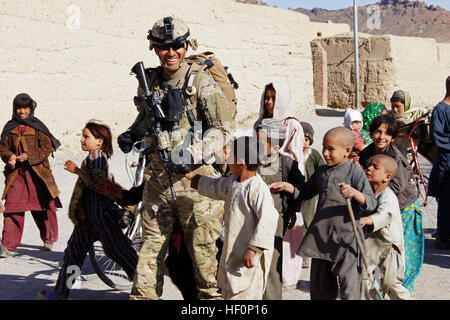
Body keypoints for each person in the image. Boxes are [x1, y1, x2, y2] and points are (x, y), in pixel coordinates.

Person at [117, 16, 232, 300]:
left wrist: (192, 155)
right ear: (155, 48)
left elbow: (221, 130)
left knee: (204, 255)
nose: (171, 53)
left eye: (177, 46)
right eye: (163, 47)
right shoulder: (151, 82)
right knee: (150, 250)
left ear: (186, 45)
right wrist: (132, 134)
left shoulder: (200, 82)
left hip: (197, 183)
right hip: (158, 181)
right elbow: (145, 119)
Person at [269, 127, 377, 300]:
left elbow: (371, 203)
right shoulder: (322, 172)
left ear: (347, 151)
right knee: (320, 289)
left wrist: (355, 194)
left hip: (347, 240)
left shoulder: (354, 173)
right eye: (324, 147)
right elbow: (306, 191)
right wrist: (288, 187)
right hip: (321, 238)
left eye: (331, 149)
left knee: (350, 288)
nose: (325, 153)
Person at [39, 121, 138, 300]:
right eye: (82, 136)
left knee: (123, 255)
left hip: (102, 218)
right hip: (87, 220)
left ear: (100, 141)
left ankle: (146, 290)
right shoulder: (93, 158)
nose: (82, 140)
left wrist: (77, 170)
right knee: (73, 255)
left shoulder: (97, 158)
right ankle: (61, 293)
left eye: (86, 137)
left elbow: (98, 184)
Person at [184, 135, 278, 299]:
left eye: (230, 154)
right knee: (230, 289)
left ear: (241, 162)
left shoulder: (257, 188)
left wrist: (253, 249)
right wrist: (192, 177)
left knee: (246, 294)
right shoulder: (233, 181)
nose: (226, 157)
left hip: (249, 258)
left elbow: (269, 219)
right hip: (234, 252)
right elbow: (214, 186)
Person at [358, 114, 423, 297]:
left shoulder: (396, 159)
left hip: (402, 209)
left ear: (393, 138)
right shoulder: (367, 153)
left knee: (397, 258)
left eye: (387, 134)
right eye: (378, 131)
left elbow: (395, 188)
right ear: (371, 133)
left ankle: (401, 292)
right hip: (377, 209)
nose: (381, 137)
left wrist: (366, 197)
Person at [0, 93, 61, 255]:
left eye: (25, 108)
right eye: (19, 108)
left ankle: (49, 239)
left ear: (31, 108)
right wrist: (9, 157)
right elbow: (3, 148)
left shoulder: (37, 126)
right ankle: (7, 245)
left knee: (43, 206)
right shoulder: (10, 127)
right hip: (16, 175)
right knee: (12, 208)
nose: (22, 111)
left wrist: (28, 156)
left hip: (37, 174)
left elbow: (46, 148)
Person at [255, 119, 304, 298]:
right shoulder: (252, 161)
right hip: (250, 219)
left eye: (260, 141)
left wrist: (293, 208)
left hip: (275, 221)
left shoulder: (288, 164)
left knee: (271, 265)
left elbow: (301, 188)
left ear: (275, 146)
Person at [357, 154, 411, 300]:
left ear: (387, 177)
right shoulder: (366, 194)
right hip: (372, 247)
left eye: (375, 167)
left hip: (389, 248)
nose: (369, 168)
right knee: (365, 282)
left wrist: (368, 219)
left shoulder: (388, 196)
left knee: (390, 283)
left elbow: (385, 214)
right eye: (368, 165)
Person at [253, 81, 305, 172]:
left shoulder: (292, 125)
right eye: (267, 98)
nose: (269, 102)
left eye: (274, 98)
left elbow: (296, 157)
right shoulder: (259, 123)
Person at [296, 122, 325, 270]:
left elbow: (322, 170)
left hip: (310, 195)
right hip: (295, 193)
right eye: (300, 139)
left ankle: (305, 255)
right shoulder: (292, 152)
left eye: (306, 140)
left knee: (307, 222)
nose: (303, 143)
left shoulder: (313, 155)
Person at [429, 76, 450, 250]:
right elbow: (437, 137)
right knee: (445, 199)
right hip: (446, 162)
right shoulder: (440, 110)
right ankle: (442, 236)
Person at [390, 90, 435, 161]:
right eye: (393, 106)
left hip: (410, 152)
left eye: (398, 106)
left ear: (406, 105)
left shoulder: (415, 114)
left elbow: (431, 111)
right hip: (394, 152)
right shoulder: (390, 117)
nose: (395, 110)